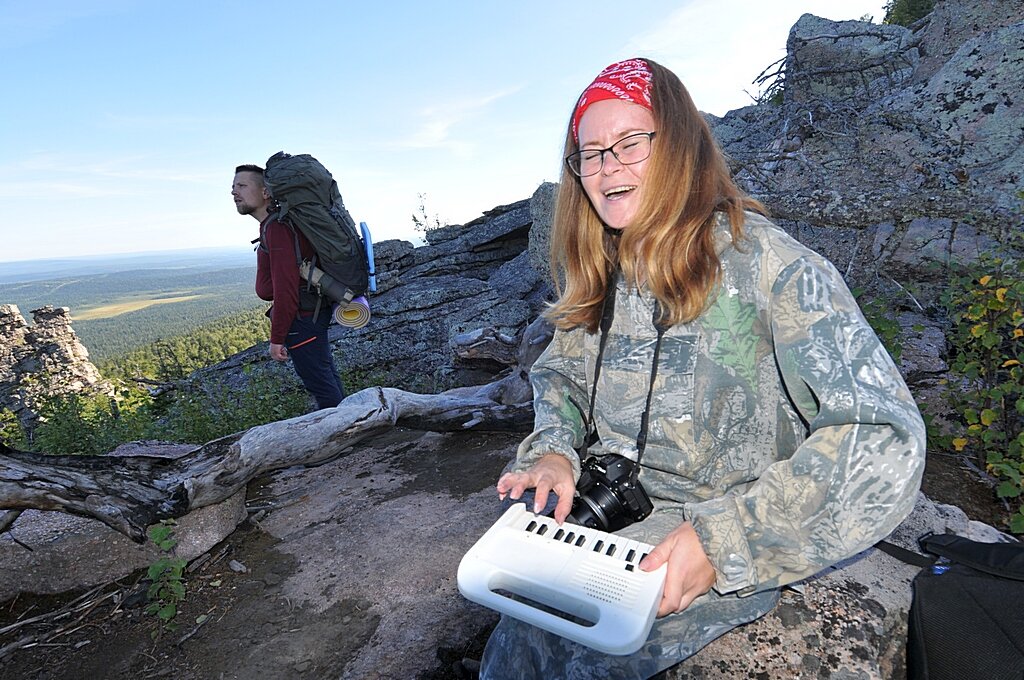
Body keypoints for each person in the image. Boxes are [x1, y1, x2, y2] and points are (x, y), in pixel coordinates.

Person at [480, 58, 925, 678]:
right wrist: (555, 451)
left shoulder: (774, 268)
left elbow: (886, 438)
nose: (608, 167)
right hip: (615, 518)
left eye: (630, 143)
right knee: (513, 615)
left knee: (568, 652)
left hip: (717, 529)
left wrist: (725, 541)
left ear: (678, 146)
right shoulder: (607, 269)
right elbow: (562, 376)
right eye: (591, 153)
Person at [232, 164, 346, 410]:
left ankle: (349, 430)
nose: (234, 192)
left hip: (302, 319)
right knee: (325, 377)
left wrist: (277, 338)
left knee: (321, 386)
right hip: (310, 313)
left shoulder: (277, 228)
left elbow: (286, 288)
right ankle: (354, 422)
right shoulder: (276, 224)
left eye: (242, 186)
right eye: (233, 187)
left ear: (265, 192)